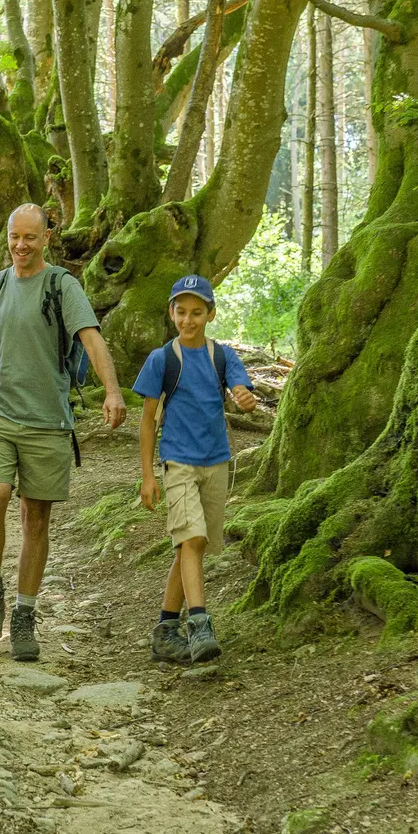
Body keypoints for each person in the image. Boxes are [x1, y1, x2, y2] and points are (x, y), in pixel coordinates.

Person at [0, 204, 126, 662]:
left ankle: (24, 614)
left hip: (48, 420)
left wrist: (113, 392)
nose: (21, 246)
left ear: (46, 238)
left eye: (30, 238)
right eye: (14, 237)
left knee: (35, 519)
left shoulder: (63, 285)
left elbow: (91, 339)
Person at [133, 276, 256, 665]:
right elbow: (148, 419)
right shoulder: (163, 359)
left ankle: (166, 631)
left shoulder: (222, 355)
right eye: (181, 312)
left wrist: (244, 397)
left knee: (193, 546)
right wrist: (148, 476)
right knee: (193, 540)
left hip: (217, 461)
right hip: (179, 462)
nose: (188, 320)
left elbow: (241, 391)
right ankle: (200, 624)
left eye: (197, 313)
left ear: (211, 314)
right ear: (171, 313)